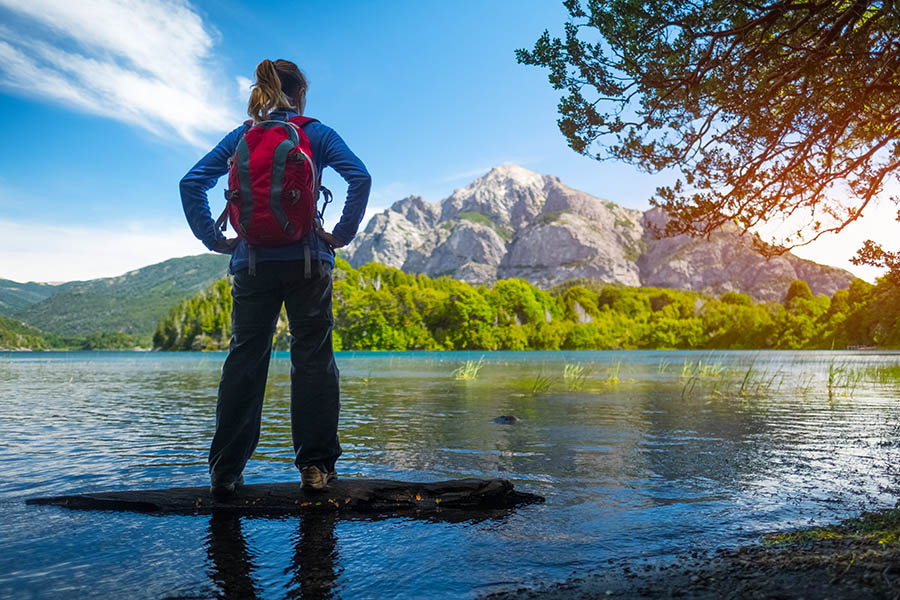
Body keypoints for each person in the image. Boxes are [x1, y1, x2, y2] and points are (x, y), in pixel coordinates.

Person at [180, 59, 370, 497]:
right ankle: (315, 469)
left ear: (264, 93)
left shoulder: (243, 135)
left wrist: (215, 238)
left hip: (251, 264)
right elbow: (360, 177)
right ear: (301, 94)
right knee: (313, 362)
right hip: (308, 263)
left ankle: (225, 472)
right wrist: (338, 234)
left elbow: (191, 183)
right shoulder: (317, 133)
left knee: (245, 362)